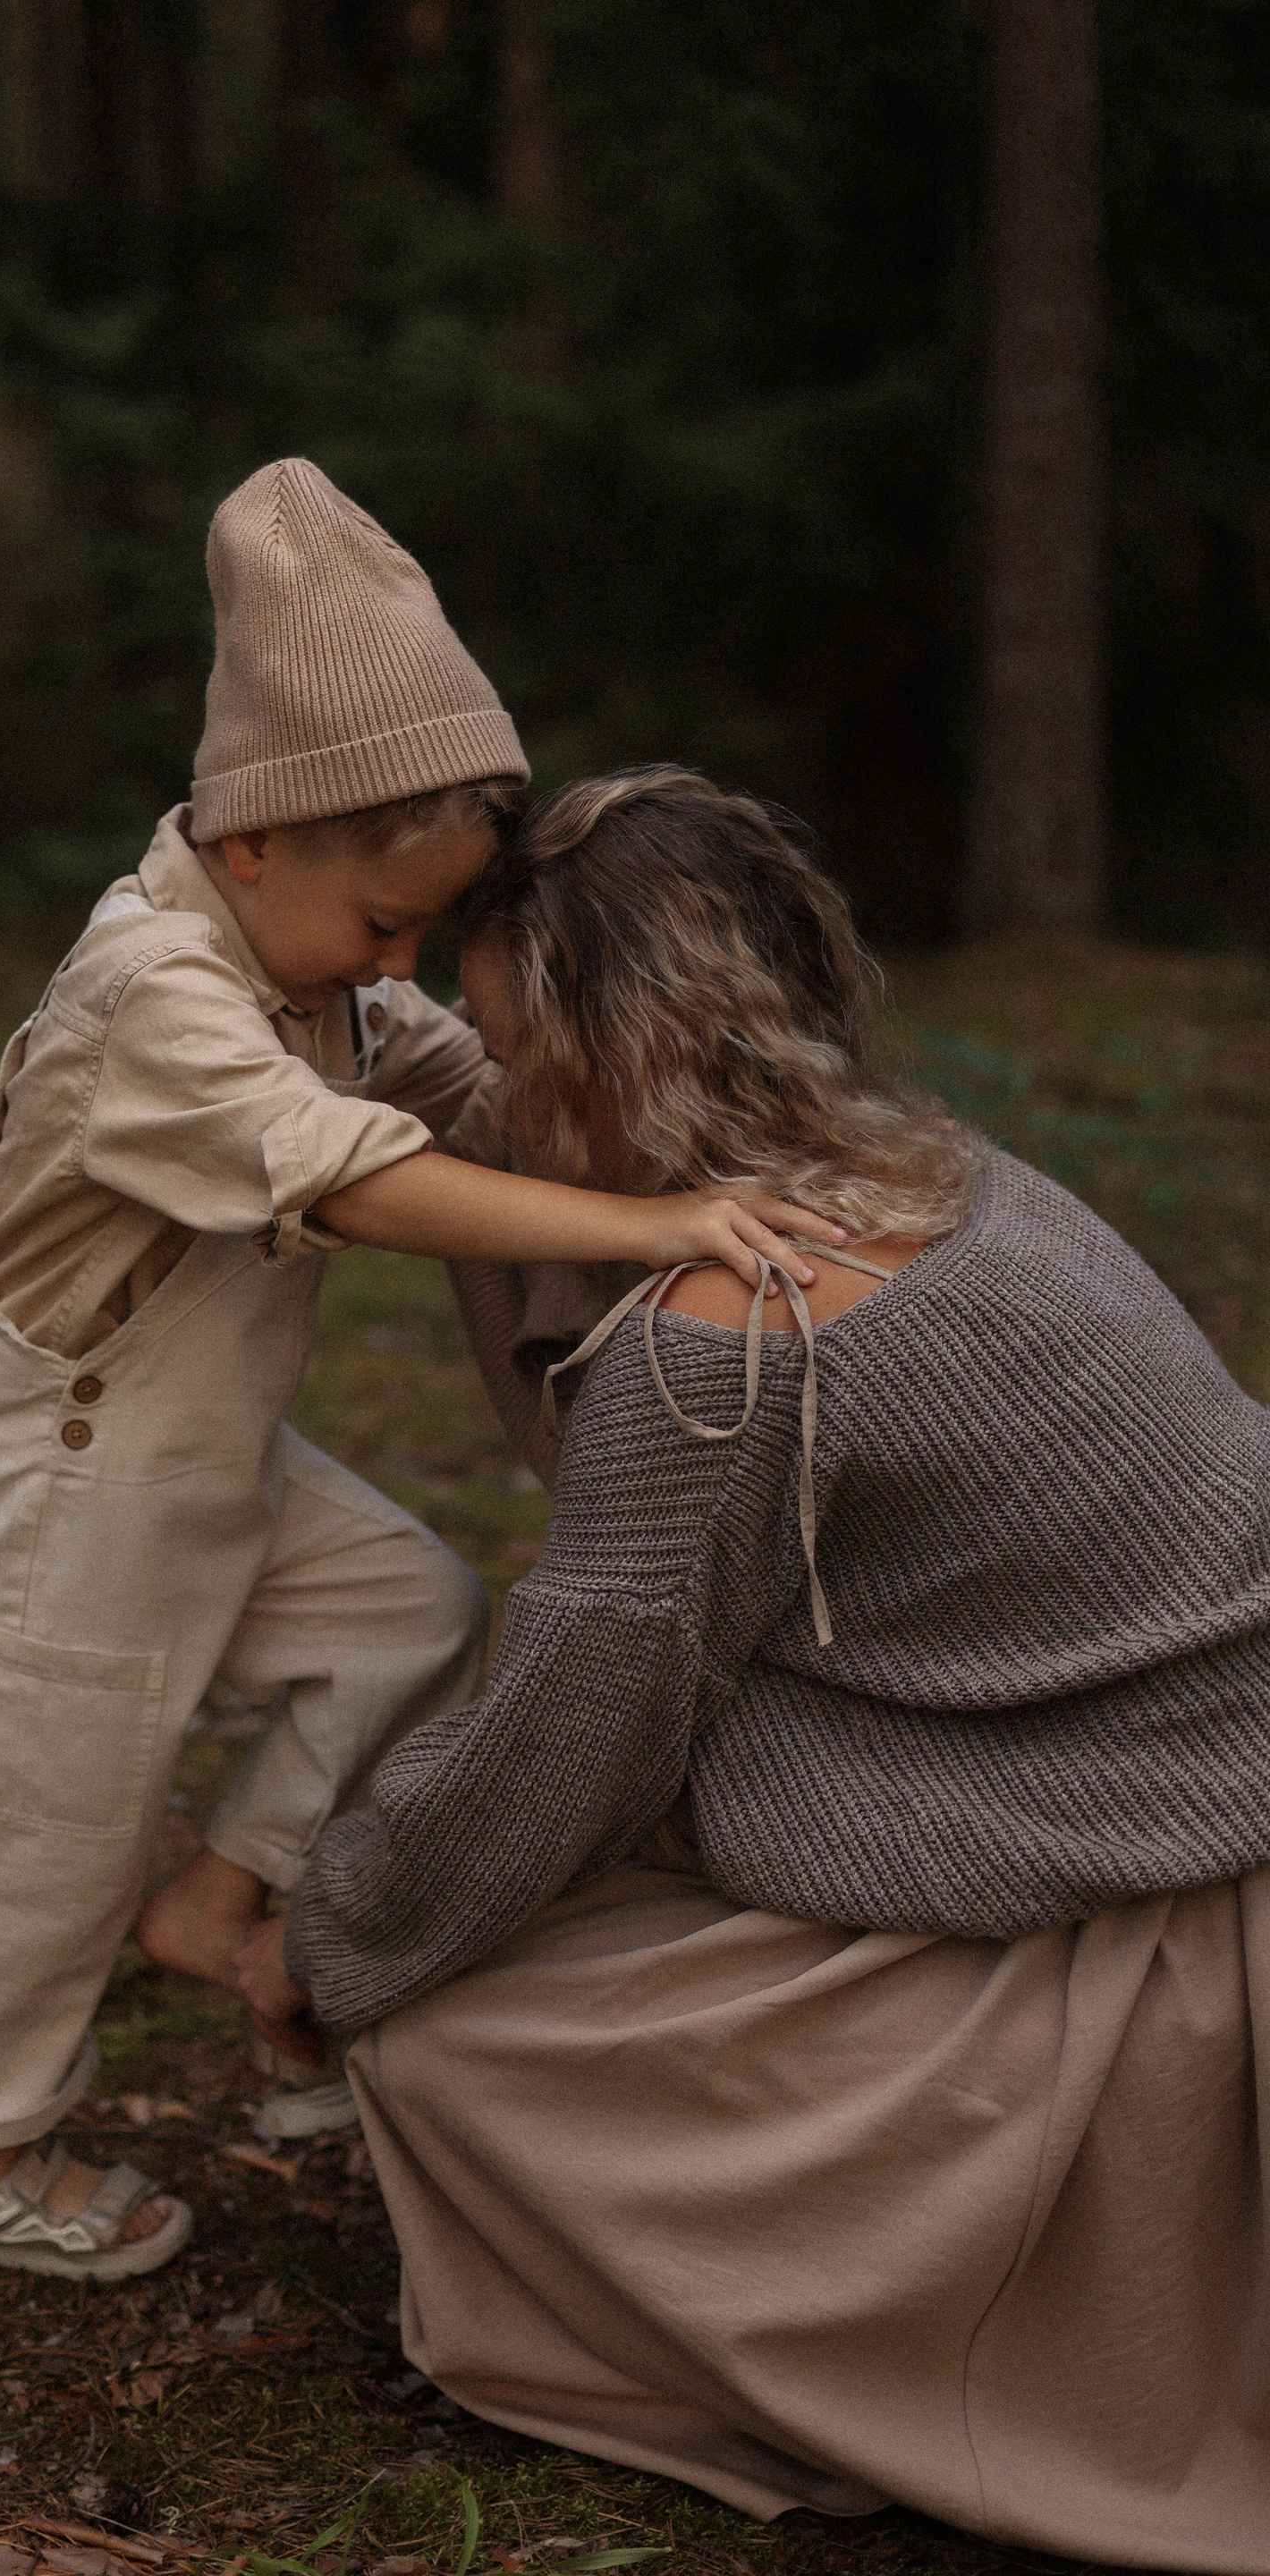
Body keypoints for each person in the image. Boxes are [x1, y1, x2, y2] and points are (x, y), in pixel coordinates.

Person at [239, 767, 1270, 2569]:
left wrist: (329, 1942)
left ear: (614, 1057)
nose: (504, 1107)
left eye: (517, 1058)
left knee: (454, 2032)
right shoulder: (959, 1182)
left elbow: (569, 1734)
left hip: (1172, 1937)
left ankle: (888, 2355)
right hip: (1194, 1804)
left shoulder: (723, 1345)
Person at [0, 485, 830, 2284]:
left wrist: (687, 1148)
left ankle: (220, 1896)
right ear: (254, 843)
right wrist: (647, 1232)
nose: (399, 965)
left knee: (413, 1611)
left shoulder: (326, 979)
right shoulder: (151, 992)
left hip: (205, 1449)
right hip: (53, 1473)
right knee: (49, 1808)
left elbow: (469, 1097)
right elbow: (355, 1176)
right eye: (388, 923)